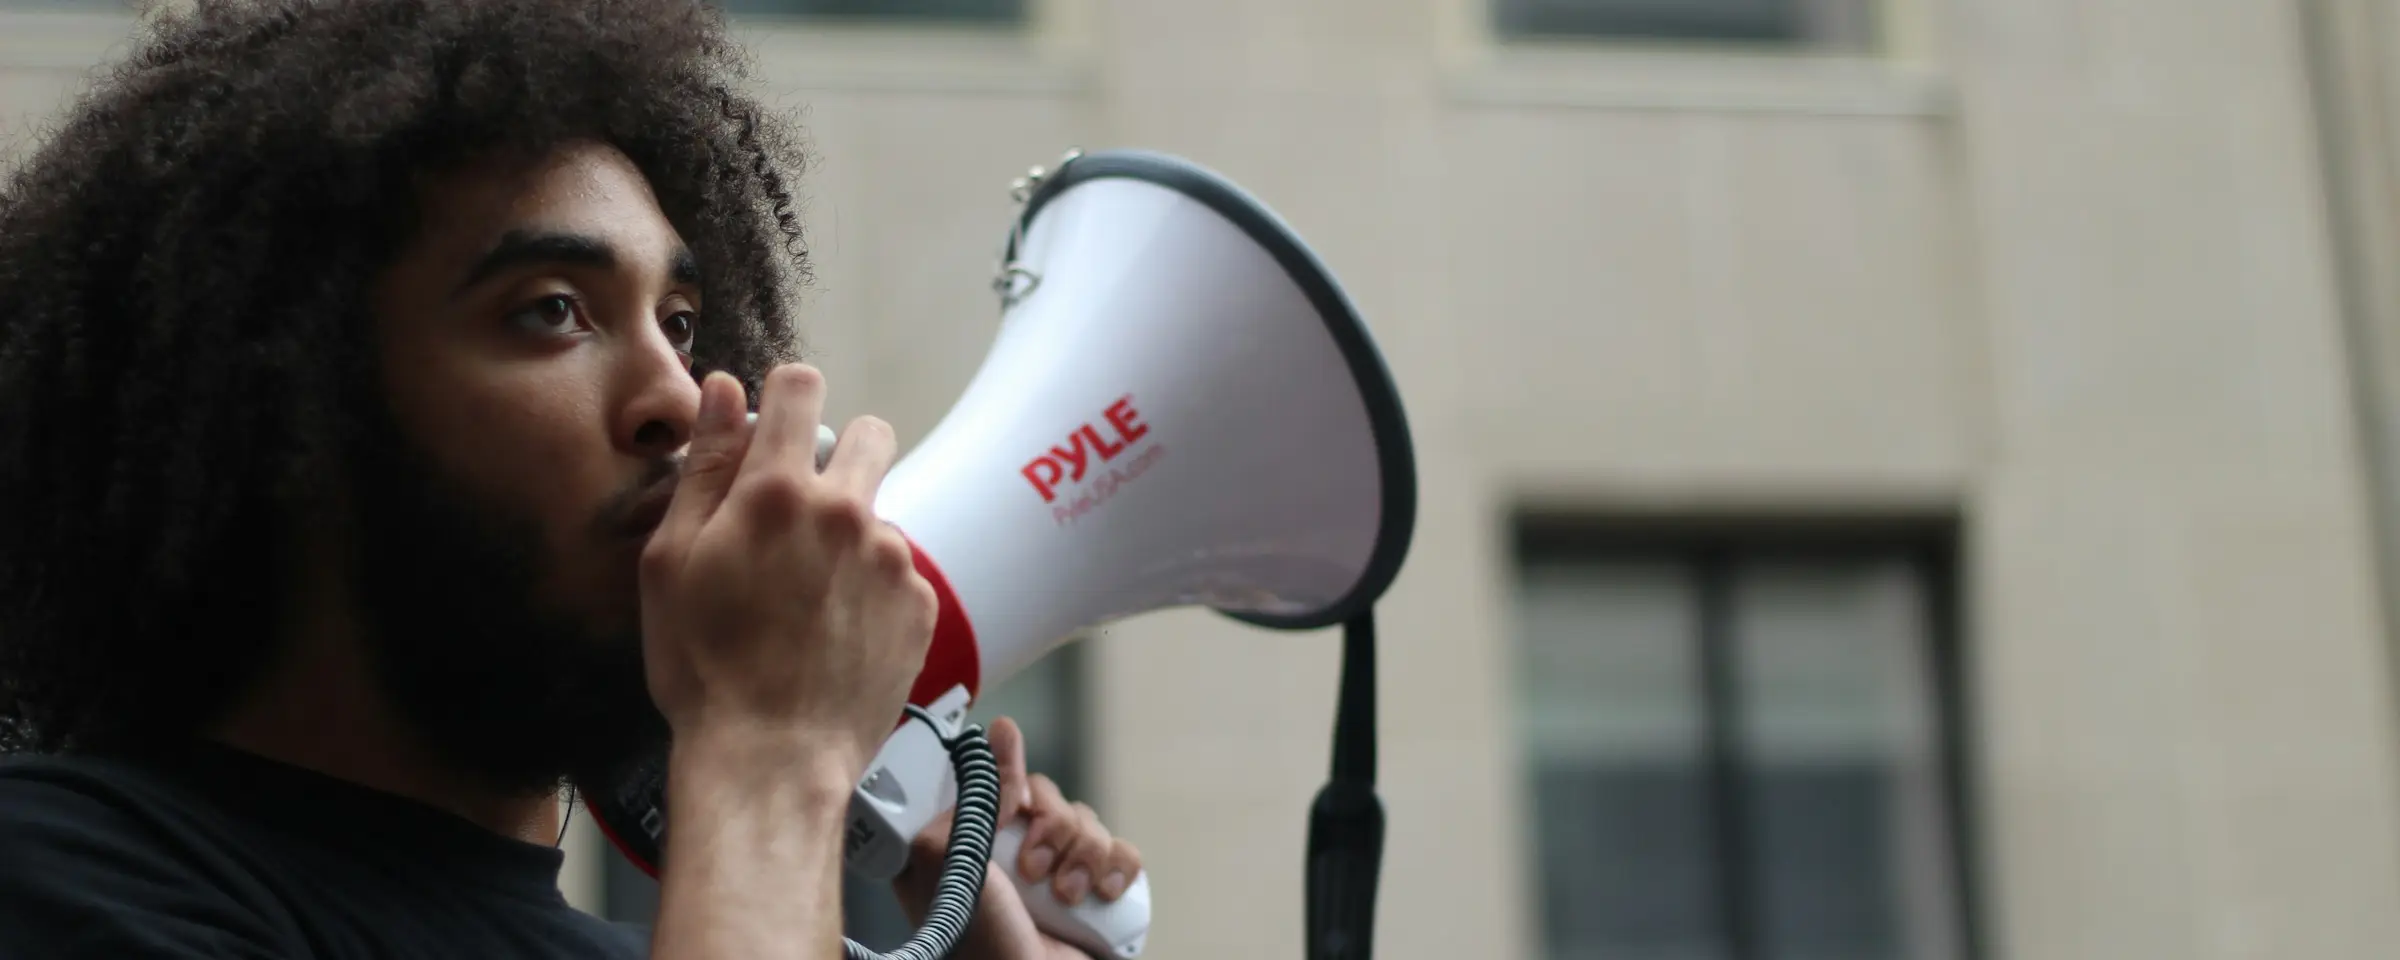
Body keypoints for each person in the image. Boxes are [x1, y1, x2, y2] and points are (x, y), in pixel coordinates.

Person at [0, 1, 1141, 957]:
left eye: (683, 324)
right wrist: (772, 749)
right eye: (553, 310)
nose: (686, 402)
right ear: (286, 406)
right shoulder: (58, 876)